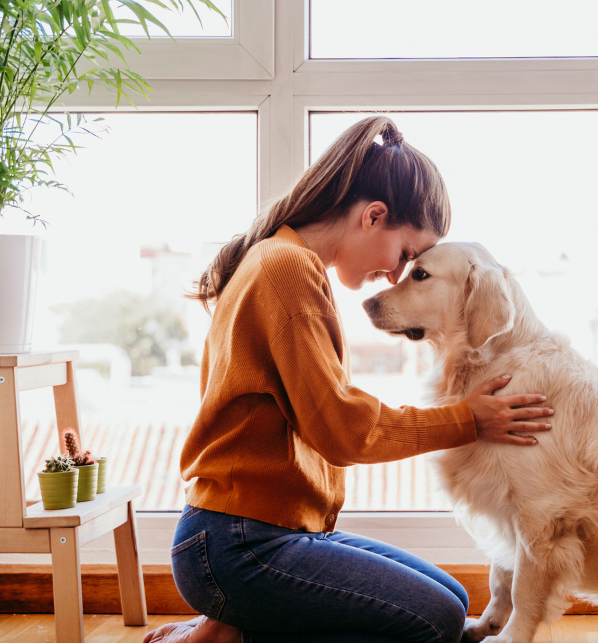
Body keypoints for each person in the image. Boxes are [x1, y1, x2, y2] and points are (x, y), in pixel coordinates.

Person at [145, 116, 554, 643]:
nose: (396, 275)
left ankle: (228, 626)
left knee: (452, 600)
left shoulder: (282, 258)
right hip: (237, 544)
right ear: (373, 216)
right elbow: (341, 430)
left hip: (263, 534)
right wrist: (465, 420)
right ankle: (229, 630)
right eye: (405, 254)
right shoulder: (286, 270)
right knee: (435, 621)